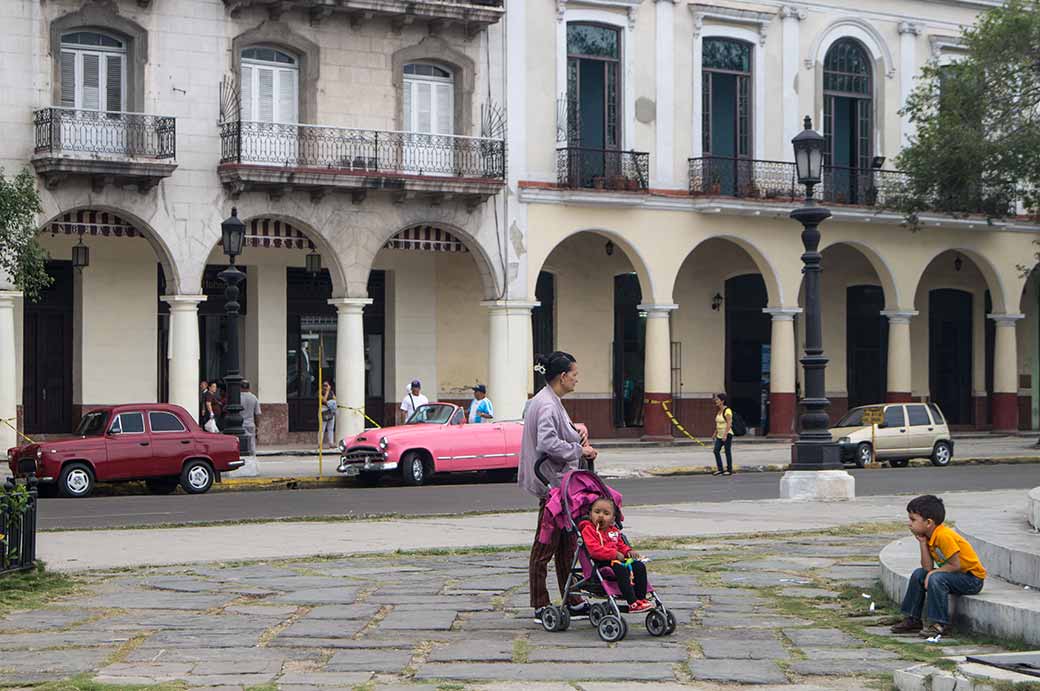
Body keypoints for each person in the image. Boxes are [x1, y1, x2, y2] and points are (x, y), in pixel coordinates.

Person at [518, 351, 598, 622]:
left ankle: (571, 598)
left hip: (559, 485)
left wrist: (576, 431)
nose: (577, 380)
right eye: (574, 375)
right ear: (563, 376)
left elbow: (556, 431)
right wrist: (579, 450)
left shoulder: (547, 400)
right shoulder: (549, 404)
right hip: (551, 485)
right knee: (545, 545)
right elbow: (547, 443)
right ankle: (540, 604)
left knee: (567, 543)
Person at [891, 494, 986, 639]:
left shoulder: (944, 536)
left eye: (913, 519)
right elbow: (927, 567)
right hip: (955, 575)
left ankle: (939, 624)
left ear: (928, 522)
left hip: (972, 579)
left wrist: (932, 574)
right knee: (919, 574)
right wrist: (922, 543)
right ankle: (912, 618)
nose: (909, 524)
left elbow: (955, 565)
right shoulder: (929, 536)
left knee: (936, 577)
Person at [579, 497, 653, 613]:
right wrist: (613, 554)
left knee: (639, 566)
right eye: (597, 512)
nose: (601, 516)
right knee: (621, 569)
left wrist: (628, 551)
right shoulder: (588, 530)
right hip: (601, 562)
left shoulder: (613, 531)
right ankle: (632, 602)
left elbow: (620, 545)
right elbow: (594, 550)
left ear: (613, 518)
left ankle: (641, 598)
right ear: (590, 514)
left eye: (606, 513)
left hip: (617, 560)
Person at [712, 393, 734, 476]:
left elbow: (729, 423)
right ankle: (720, 469)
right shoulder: (719, 411)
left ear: (722, 401)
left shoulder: (727, 410)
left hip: (727, 434)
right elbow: (719, 424)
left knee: (727, 451)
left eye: (717, 399)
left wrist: (725, 435)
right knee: (716, 450)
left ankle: (729, 470)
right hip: (719, 435)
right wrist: (715, 433)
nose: (716, 401)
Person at [239, 380, 261, 455]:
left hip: (240, 424)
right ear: (249, 387)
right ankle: (253, 457)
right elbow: (257, 414)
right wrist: (257, 426)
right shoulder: (254, 398)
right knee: (252, 443)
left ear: (240, 387)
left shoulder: (237, 397)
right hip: (250, 424)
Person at [321, 381, 337, 449]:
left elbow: (335, 399)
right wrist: (327, 391)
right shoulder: (320, 392)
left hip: (331, 410)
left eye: (327, 385)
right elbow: (324, 400)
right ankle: (320, 443)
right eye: (324, 385)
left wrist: (329, 391)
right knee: (322, 428)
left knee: (331, 428)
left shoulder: (331, 392)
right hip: (324, 410)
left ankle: (331, 442)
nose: (325, 387)